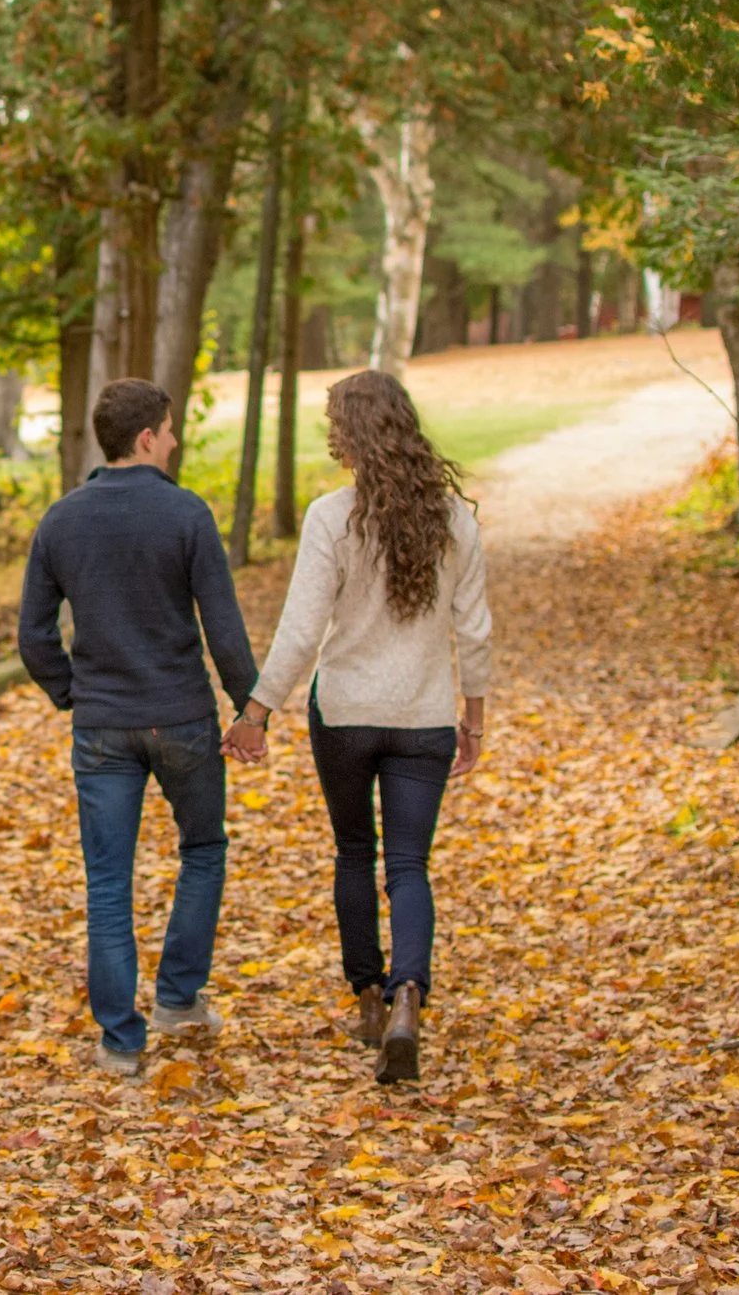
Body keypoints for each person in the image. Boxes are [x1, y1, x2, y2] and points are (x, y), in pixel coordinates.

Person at [228, 369, 491, 1085]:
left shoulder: (330, 517)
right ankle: (411, 995)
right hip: (423, 715)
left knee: (354, 850)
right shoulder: (455, 519)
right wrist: (474, 713)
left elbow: (300, 629)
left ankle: (369, 998)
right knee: (409, 864)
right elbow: (476, 630)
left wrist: (257, 710)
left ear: (350, 436)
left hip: (344, 713)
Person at [19, 378, 263, 1078]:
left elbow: (33, 635)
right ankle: (179, 998)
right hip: (182, 716)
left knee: (107, 881)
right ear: (148, 437)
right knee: (205, 849)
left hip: (101, 727)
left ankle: (121, 1043)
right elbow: (224, 629)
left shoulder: (61, 520)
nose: (176, 441)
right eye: (172, 430)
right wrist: (249, 709)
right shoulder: (187, 514)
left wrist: (73, 694)